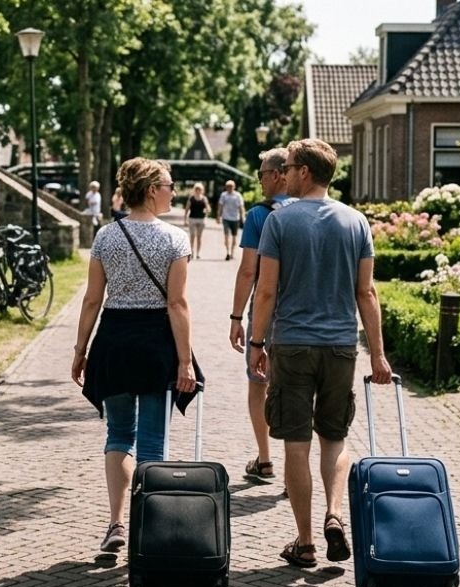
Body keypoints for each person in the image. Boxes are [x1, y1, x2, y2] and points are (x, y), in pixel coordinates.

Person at [246, 138, 393, 570]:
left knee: (296, 444)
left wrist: (257, 344)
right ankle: (335, 513)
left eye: (289, 167)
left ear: (305, 172)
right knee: (335, 437)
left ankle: (306, 541)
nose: (284, 174)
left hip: (291, 344)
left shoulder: (280, 222)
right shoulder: (356, 222)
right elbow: (366, 292)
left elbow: (267, 290)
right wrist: (378, 355)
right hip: (340, 346)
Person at [70, 157, 200, 554]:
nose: (173, 191)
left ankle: (116, 523)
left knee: (118, 434)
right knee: (152, 444)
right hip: (156, 344)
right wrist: (184, 361)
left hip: (114, 340)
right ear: (150, 191)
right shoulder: (175, 239)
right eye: (167, 185)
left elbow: (93, 299)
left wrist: (81, 350)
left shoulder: (106, 237)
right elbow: (177, 304)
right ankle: (147, 528)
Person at [228, 148, 294, 486]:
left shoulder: (258, 215)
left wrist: (236, 317)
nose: (260, 180)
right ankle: (297, 471)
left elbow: (247, 271)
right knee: (298, 390)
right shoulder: (312, 211)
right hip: (301, 315)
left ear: (280, 174)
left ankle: (266, 460)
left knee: (259, 384)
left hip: (266, 313)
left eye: (262, 174)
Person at [216, 180, 245, 261]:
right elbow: (220, 206)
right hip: (226, 218)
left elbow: (241, 207)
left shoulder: (238, 195)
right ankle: (228, 252)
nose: (229, 188)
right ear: (226, 187)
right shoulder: (224, 195)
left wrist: (242, 217)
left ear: (234, 187)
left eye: (231, 186)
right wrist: (218, 216)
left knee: (234, 237)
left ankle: (232, 252)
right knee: (226, 236)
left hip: (235, 218)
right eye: (228, 186)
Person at [185, 183, 211, 258]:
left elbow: (208, 208)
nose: (198, 190)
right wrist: (185, 219)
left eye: (199, 189)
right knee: (192, 235)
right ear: (195, 190)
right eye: (197, 189)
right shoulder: (191, 198)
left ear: (202, 190)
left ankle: (198, 253)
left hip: (201, 219)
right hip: (192, 218)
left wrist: (206, 210)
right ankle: (191, 251)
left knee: (199, 237)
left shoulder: (204, 199)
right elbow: (187, 208)